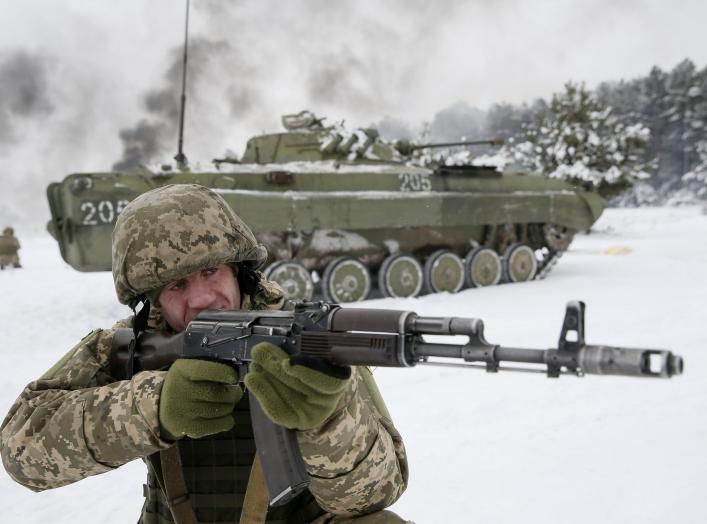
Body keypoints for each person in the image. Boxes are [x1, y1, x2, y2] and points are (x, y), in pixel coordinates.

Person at [0, 184, 409, 524]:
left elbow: (377, 493)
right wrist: (153, 407)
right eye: (176, 285)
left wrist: (326, 420)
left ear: (238, 269)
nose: (201, 300)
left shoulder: (304, 340)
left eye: (211, 272)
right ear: (152, 298)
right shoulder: (132, 344)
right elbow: (21, 451)